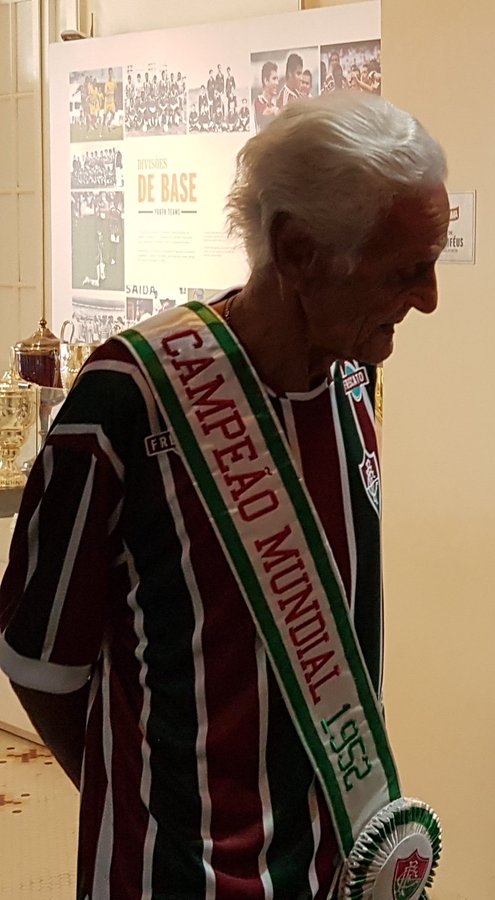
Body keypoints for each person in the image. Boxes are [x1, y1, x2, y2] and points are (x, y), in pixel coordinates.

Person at [0, 93, 449, 898]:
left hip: (335, 866)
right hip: (169, 877)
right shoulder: (127, 397)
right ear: (298, 250)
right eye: (406, 270)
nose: (429, 299)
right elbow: (38, 662)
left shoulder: (350, 383)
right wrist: (146, 808)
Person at [254, 60, 281, 130]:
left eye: (277, 79)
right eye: (274, 79)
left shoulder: (274, 104)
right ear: (266, 81)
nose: (277, 83)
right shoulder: (258, 101)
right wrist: (275, 110)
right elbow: (265, 113)